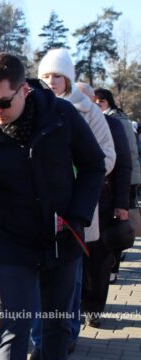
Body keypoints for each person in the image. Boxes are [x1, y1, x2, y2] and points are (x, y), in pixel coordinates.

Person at [0, 53, 106, 360]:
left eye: (4, 102)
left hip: (63, 236)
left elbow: (94, 165)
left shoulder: (61, 115)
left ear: (25, 90)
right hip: (13, 242)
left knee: (56, 327)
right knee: (14, 328)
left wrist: (78, 216)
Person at [33, 48, 116, 356]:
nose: (51, 81)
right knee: (44, 276)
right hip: (40, 207)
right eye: (45, 76)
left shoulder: (87, 110)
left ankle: (68, 332)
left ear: (68, 78)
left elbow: (106, 157)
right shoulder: (34, 108)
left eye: (57, 75)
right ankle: (43, 338)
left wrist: (70, 170)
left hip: (76, 205)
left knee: (73, 272)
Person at [77, 82, 132, 328]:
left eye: (92, 101)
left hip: (104, 201)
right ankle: (74, 306)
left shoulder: (112, 125)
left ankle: (94, 307)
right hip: (72, 203)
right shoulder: (65, 123)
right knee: (73, 258)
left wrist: (122, 204)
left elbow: (123, 167)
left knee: (98, 258)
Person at [94, 87, 141, 284]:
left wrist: (128, 185)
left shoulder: (117, 121)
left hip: (122, 180)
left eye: (101, 102)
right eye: (94, 102)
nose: (97, 106)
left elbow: (127, 155)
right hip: (113, 181)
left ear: (109, 102)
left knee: (118, 225)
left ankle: (113, 266)